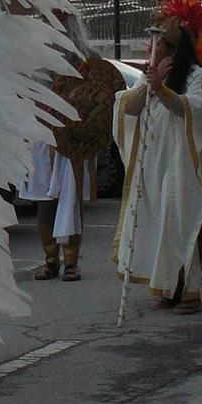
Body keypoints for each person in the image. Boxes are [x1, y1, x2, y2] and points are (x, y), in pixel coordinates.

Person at [112, 0, 202, 312]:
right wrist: (151, 84)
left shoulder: (196, 77)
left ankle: (189, 288)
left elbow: (194, 110)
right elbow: (131, 108)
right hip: (154, 160)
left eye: (158, 45)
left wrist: (161, 88)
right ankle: (167, 286)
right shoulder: (150, 73)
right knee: (158, 221)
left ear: (174, 50)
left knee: (180, 216)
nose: (151, 50)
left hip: (183, 160)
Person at [23, 36, 122, 281]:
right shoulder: (34, 57)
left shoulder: (87, 59)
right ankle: (50, 260)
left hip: (75, 139)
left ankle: (71, 261)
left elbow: (104, 92)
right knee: (45, 201)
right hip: (42, 136)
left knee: (71, 201)